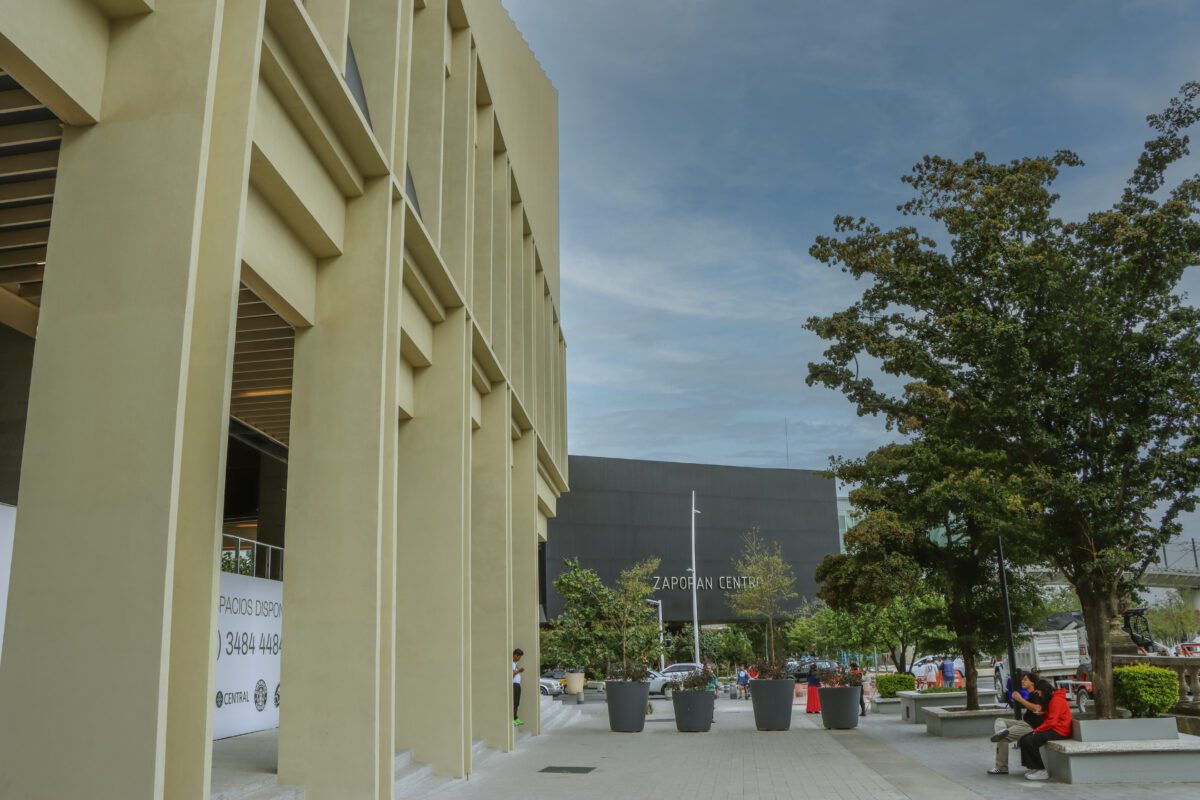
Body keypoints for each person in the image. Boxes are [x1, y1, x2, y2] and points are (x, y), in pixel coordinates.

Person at [986, 673, 1047, 775]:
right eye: (1022, 679)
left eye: (1025, 679)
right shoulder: (1030, 694)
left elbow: (1037, 708)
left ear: (1032, 682)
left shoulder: (1036, 694)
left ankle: (1001, 767)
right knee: (1000, 720)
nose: (1022, 681)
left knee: (1003, 738)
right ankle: (1001, 732)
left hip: (1031, 726)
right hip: (1024, 722)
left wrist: (1020, 699)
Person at [1018, 681, 1073, 781]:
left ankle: (1041, 770)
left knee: (1030, 741)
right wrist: (1043, 714)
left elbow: (1052, 721)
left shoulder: (1056, 700)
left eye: (1039, 692)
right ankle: (1034, 767)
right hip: (1055, 728)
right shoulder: (1053, 699)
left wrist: (1038, 729)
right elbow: (1052, 716)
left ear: (1044, 691)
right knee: (1024, 739)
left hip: (1060, 731)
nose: (1039, 695)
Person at [512, 648, 525, 727]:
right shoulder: (511, 663)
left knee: (517, 702)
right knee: (514, 702)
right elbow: (511, 674)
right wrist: (518, 671)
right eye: (519, 657)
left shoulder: (515, 663)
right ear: (515, 655)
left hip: (517, 684)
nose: (519, 658)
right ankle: (514, 719)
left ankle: (515, 718)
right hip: (514, 684)